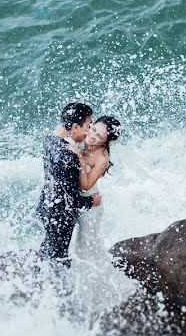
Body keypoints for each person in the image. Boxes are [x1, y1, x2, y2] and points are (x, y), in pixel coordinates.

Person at [36, 102, 102, 265]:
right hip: (60, 215)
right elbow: (71, 199)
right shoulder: (69, 157)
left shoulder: (50, 141)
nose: (90, 129)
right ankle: (58, 289)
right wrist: (91, 201)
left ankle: (39, 278)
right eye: (88, 125)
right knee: (60, 258)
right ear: (74, 127)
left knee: (48, 250)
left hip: (45, 205)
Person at [67, 115, 122, 262]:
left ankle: (94, 274)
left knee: (86, 243)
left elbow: (85, 185)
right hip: (76, 199)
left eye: (99, 137)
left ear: (106, 141)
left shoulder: (102, 158)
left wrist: (79, 155)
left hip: (91, 205)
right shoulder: (84, 136)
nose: (92, 137)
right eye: (94, 129)